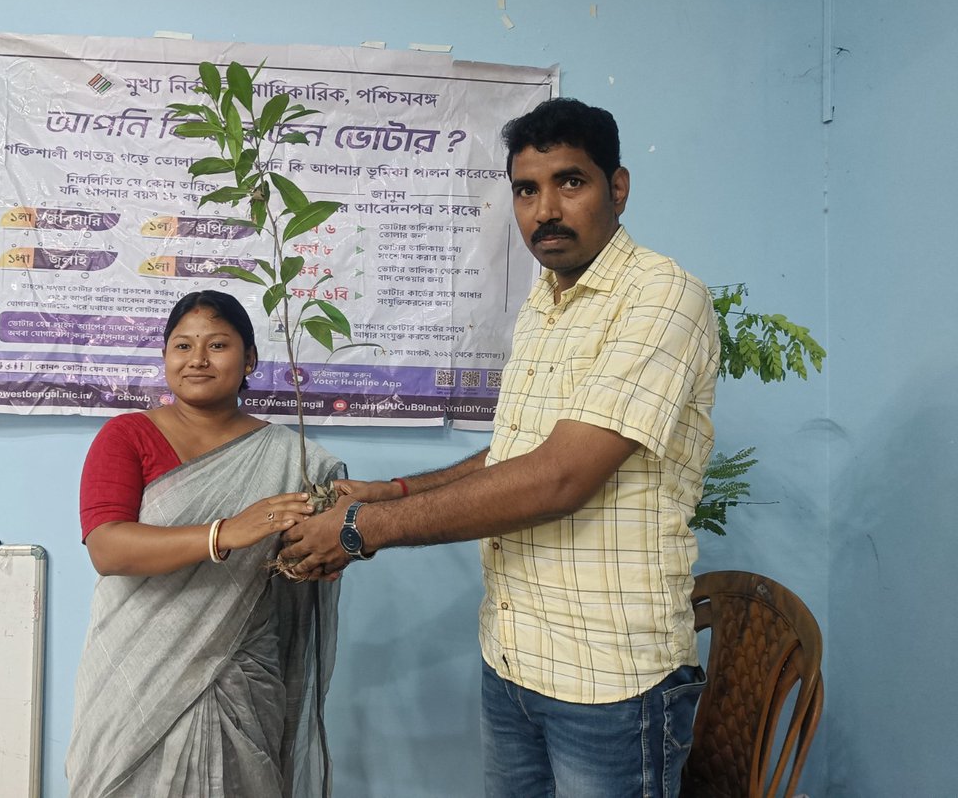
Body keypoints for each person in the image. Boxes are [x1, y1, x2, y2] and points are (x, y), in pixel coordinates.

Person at [281, 98, 720, 797]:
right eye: (526, 189)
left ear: (619, 187)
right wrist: (389, 492)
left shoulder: (663, 298)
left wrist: (365, 532)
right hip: (514, 664)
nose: (545, 208)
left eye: (570, 182)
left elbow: (559, 478)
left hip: (608, 683)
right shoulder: (544, 304)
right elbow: (516, 454)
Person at [67, 289, 344, 798]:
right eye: (182, 346)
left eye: (217, 345)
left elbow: (311, 556)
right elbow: (108, 548)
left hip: (240, 670)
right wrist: (226, 531)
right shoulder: (127, 436)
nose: (197, 359)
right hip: (135, 669)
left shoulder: (292, 456)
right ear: (165, 357)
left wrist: (319, 550)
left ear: (250, 360)